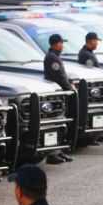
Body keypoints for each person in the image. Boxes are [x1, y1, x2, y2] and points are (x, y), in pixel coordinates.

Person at [43, 34, 75, 164]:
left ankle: (58, 150)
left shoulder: (55, 56)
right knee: (55, 122)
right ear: (56, 44)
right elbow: (59, 77)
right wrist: (69, 87)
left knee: (60, 122)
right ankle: (52, 154)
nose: (63, 45)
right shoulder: (52, 58)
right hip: (56, 95)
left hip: (59, 94)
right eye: (62, 43)